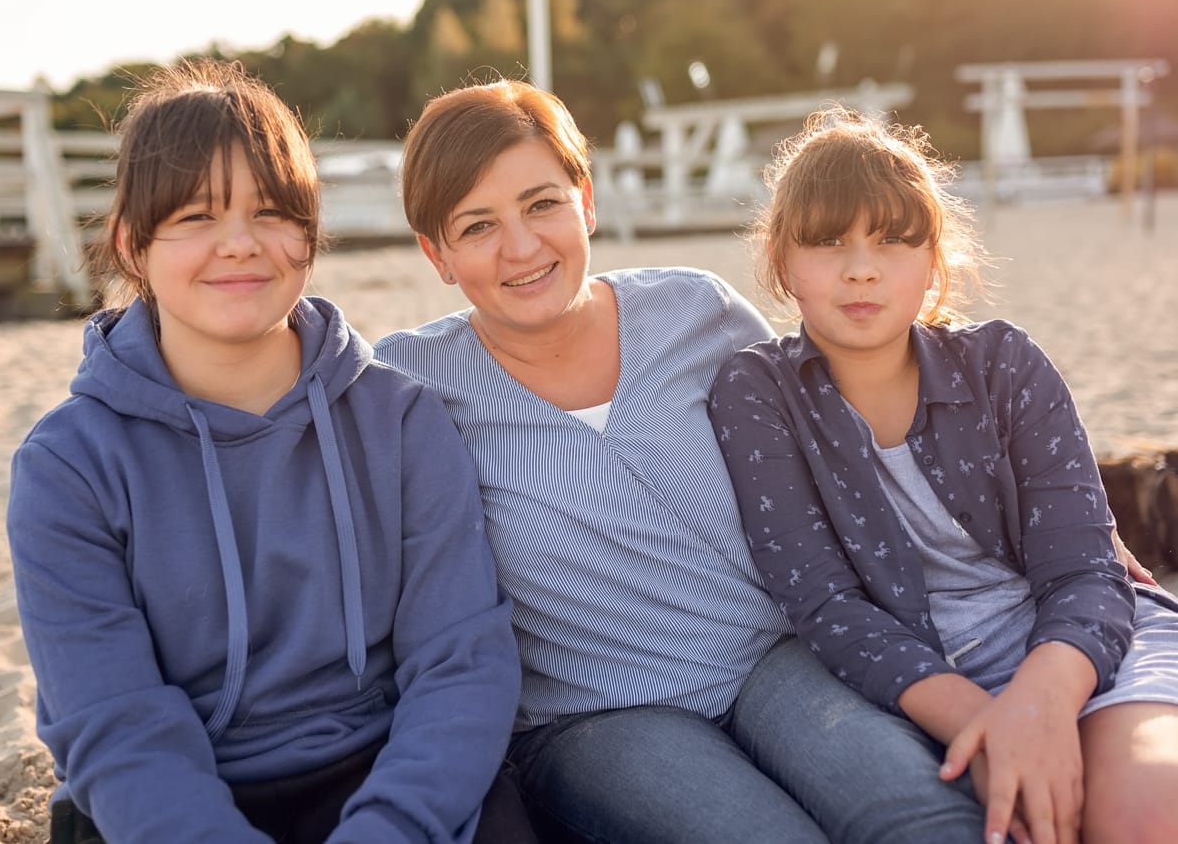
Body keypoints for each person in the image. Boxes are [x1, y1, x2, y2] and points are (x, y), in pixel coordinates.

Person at [373, 78, 996, 843]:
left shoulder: (695, 312)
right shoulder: (407, 385)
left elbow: (862, 414)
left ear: (586, 201)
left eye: (542, 204)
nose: (522, 247)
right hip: (599, 715)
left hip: (778, 657)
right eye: (477, 226)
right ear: (436, 254)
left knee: (921, 816)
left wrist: (1079, 527)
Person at [708, 105, 1178, 844]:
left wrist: (1037, 706)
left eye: (892, 240)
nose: (861, 268)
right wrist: (990, 724)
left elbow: (1087, 569)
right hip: (929, 685)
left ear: (934, 259)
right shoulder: (758, 393)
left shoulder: (1005, 365)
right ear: (781, 261)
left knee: (1157, 818)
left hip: (1082, 647)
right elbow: (828, 605)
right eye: (825, 242)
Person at [6, 59, 527, 844]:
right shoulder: (67, 467)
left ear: (310, 230)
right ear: (132, 245)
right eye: (195, 217)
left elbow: (460, 665)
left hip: (389, 775)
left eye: (272, 213)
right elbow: (113, 722)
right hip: (167, 802)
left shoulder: (402, 420)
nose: (240, 245)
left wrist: (389, 828)